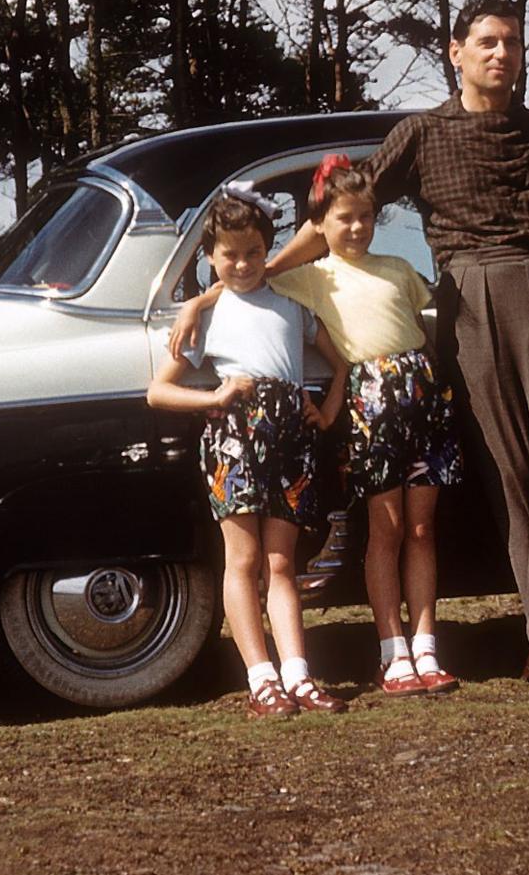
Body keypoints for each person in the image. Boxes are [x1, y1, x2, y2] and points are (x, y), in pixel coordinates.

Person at [268, 0, 529, 689]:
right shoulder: (424, 133)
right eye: (487, 41)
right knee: (517, 474)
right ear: (456, 53)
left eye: (512, 44)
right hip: (474, 296)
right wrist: (254, 274)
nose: (502, 54)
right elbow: (346, 207)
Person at [177, 156, 465, 696]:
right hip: (371, 404)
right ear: (319, 225)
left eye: (366, 217)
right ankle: (392, 653)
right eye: (342, 218)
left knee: (423, 529)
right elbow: (250, 272)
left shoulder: (399, 269)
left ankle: (426, 646)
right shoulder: (309, 279)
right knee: (387, 529)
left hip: (422, 398)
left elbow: (424, 332)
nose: (356, 228)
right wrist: (197, 301)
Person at [147, 186, 352, 717]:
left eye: (253, 253)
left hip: (291, 441)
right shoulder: (205, 317)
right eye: (229, 255)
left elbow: (340, 363)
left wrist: (327, 409)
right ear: (211, 256)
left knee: (282, 562)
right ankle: (261, 680)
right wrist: (214, 396)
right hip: (234, 441)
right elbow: (157, 391)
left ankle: (299, 676)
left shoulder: (292, 304)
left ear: (267, 250)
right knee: (243, 559)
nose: (242, 264)